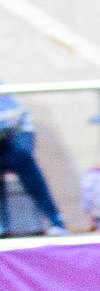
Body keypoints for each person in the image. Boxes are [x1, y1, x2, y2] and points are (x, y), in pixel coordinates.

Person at [0, 90, 69, 237]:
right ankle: (2, 226)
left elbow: (11, 117)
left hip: (16, 131)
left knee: (21, 159)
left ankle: (55, 219)